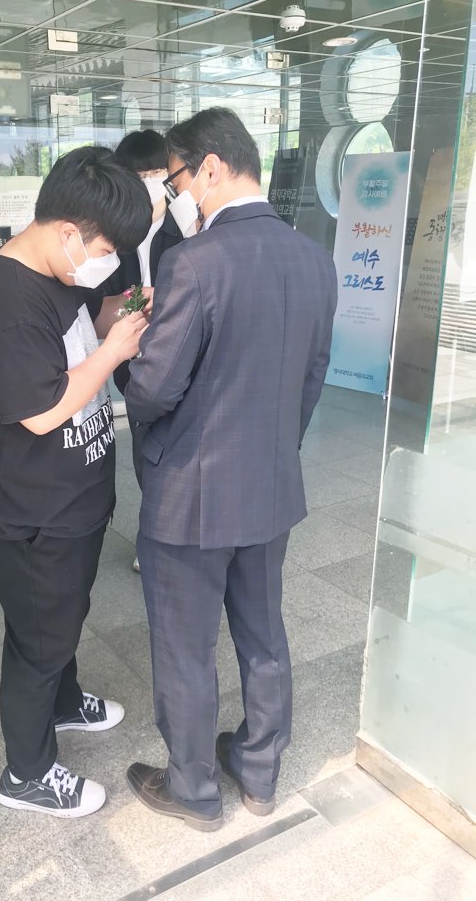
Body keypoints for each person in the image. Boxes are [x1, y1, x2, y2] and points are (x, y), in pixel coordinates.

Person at [124, 108, 337, 832]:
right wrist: (274, 449)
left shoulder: (193, 262)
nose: (177, 193)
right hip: (270, 486)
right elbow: (311, 377)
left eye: (176, 179)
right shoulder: (313, 258)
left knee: (185, 646)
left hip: (190, 496)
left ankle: (193, 789)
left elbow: (153, 390)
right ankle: (258, 770)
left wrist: (130, 366)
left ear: (210, 167)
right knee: (262, 631)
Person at [0, 146, 152, 819]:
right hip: (30, 515)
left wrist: (128, 308)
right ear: (69, 232)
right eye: (105, 250)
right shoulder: (7, 303)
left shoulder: (58, 271)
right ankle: (27, 773)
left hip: (69, 505)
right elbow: (41, 411)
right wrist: (116, 351)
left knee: (62, 621)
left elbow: (86, 325)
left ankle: (65, 703)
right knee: (38, 642)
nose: (106, 262)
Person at [100, 130, 183, 573]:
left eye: (156, 172)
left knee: (179, 454)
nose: (150, 181)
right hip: (135, 364)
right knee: (145, 455)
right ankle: (152, 535)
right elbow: (105, 301)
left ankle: (178, 537)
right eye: (140, 174)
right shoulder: (118, 235)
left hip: (181, 359)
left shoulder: (186, 225)